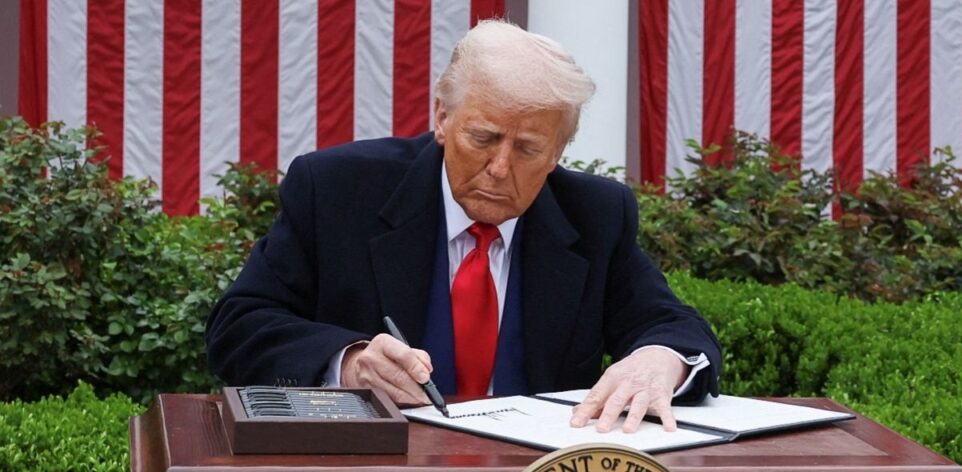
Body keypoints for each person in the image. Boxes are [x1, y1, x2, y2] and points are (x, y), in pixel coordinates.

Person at [206, 20, 721, 433]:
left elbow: (675, 328)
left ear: (558, 153)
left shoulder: (595, 213)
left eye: (527, 149)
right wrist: (350, 362)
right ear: (442, 118)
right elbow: (239, 326)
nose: (500, 168)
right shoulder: (338, 190)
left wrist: (659, 360)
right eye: (483, 137)